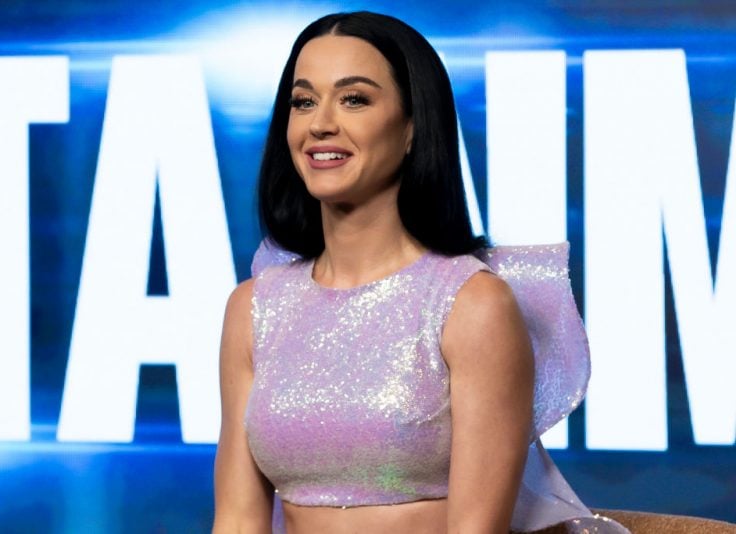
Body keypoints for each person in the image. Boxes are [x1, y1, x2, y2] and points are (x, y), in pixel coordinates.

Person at [213, 11, 630, 534]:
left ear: (412, 127)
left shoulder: (471, 304)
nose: (320, 122)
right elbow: (236, 520)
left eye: (354, 98)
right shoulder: (254, 308)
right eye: (303, 101)